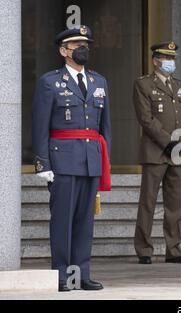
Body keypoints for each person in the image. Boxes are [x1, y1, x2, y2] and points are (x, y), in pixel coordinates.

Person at [32, 25, 111, 292]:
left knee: (84, 222)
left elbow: (104, 128)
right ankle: (62, 276)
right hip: (63, 160)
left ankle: (81, 274)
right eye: (77, 45)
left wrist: (103, 159)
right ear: (64, 51)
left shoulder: (99, 81)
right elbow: (40, 124)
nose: (83, 49)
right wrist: (42, 163)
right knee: (63, 221)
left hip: (91, 159)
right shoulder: (49, 82)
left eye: (86, 44)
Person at [133, 41, 181, 264]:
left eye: (173, 59)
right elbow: (146, 119)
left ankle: (174, 249)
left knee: (175, 203)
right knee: (148, 202)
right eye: (166, 58)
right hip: (155, 151)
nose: (170, 62)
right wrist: (167, 141)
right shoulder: (143, 85)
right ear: (155, 60)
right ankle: (144, 249)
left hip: (178, 152)